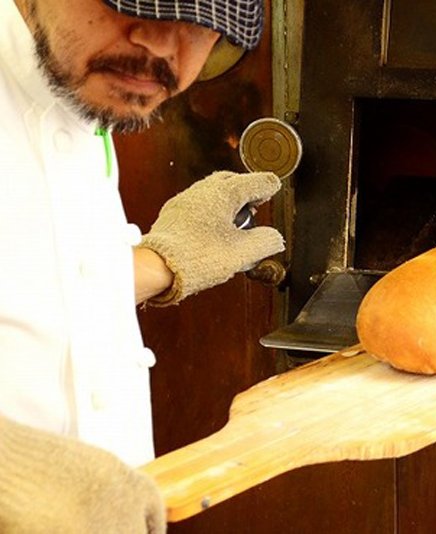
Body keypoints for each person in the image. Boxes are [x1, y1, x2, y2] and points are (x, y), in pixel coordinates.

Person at [0, 0, 282, 531]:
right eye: (132, 3)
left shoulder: (83, 82)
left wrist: (161, 262)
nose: (160, 44)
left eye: (202, 23)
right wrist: (15, 475)